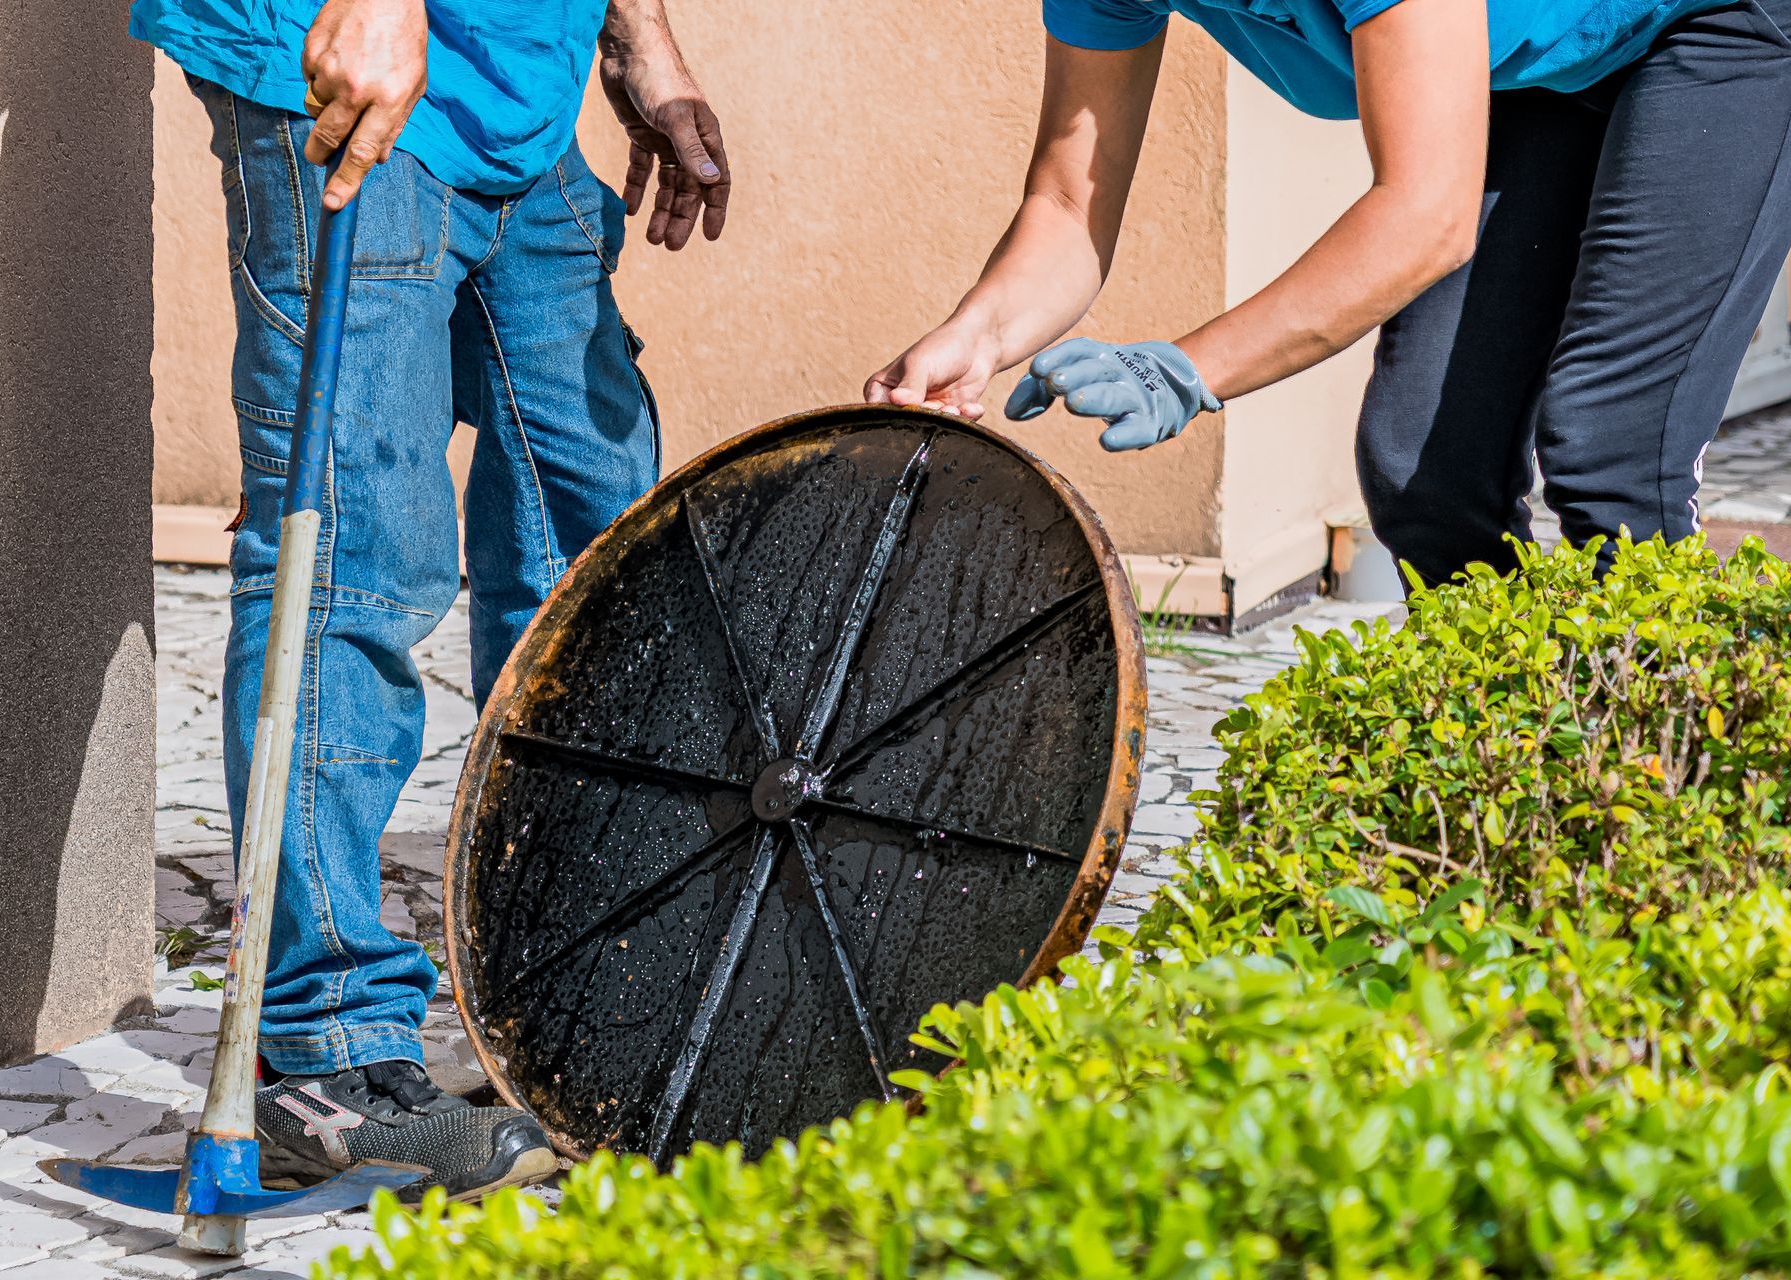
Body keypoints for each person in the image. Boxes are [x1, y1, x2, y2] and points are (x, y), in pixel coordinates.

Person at [130, 0, 729, 1199]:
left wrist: (634, 34)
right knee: (358, 552)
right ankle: (324, 1052)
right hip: (348, 69)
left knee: (594, 541)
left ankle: (560, 994)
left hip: (513, 92)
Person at [867, 0, 1791, 587]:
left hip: (1726, 26)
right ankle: (1505, 788)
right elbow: (1069, 204)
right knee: (1423, 463)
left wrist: (1186, 370)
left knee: (1612, 447)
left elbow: (1427, 217)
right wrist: (978, 333)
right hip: (1548, 62)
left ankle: (1659, 803)